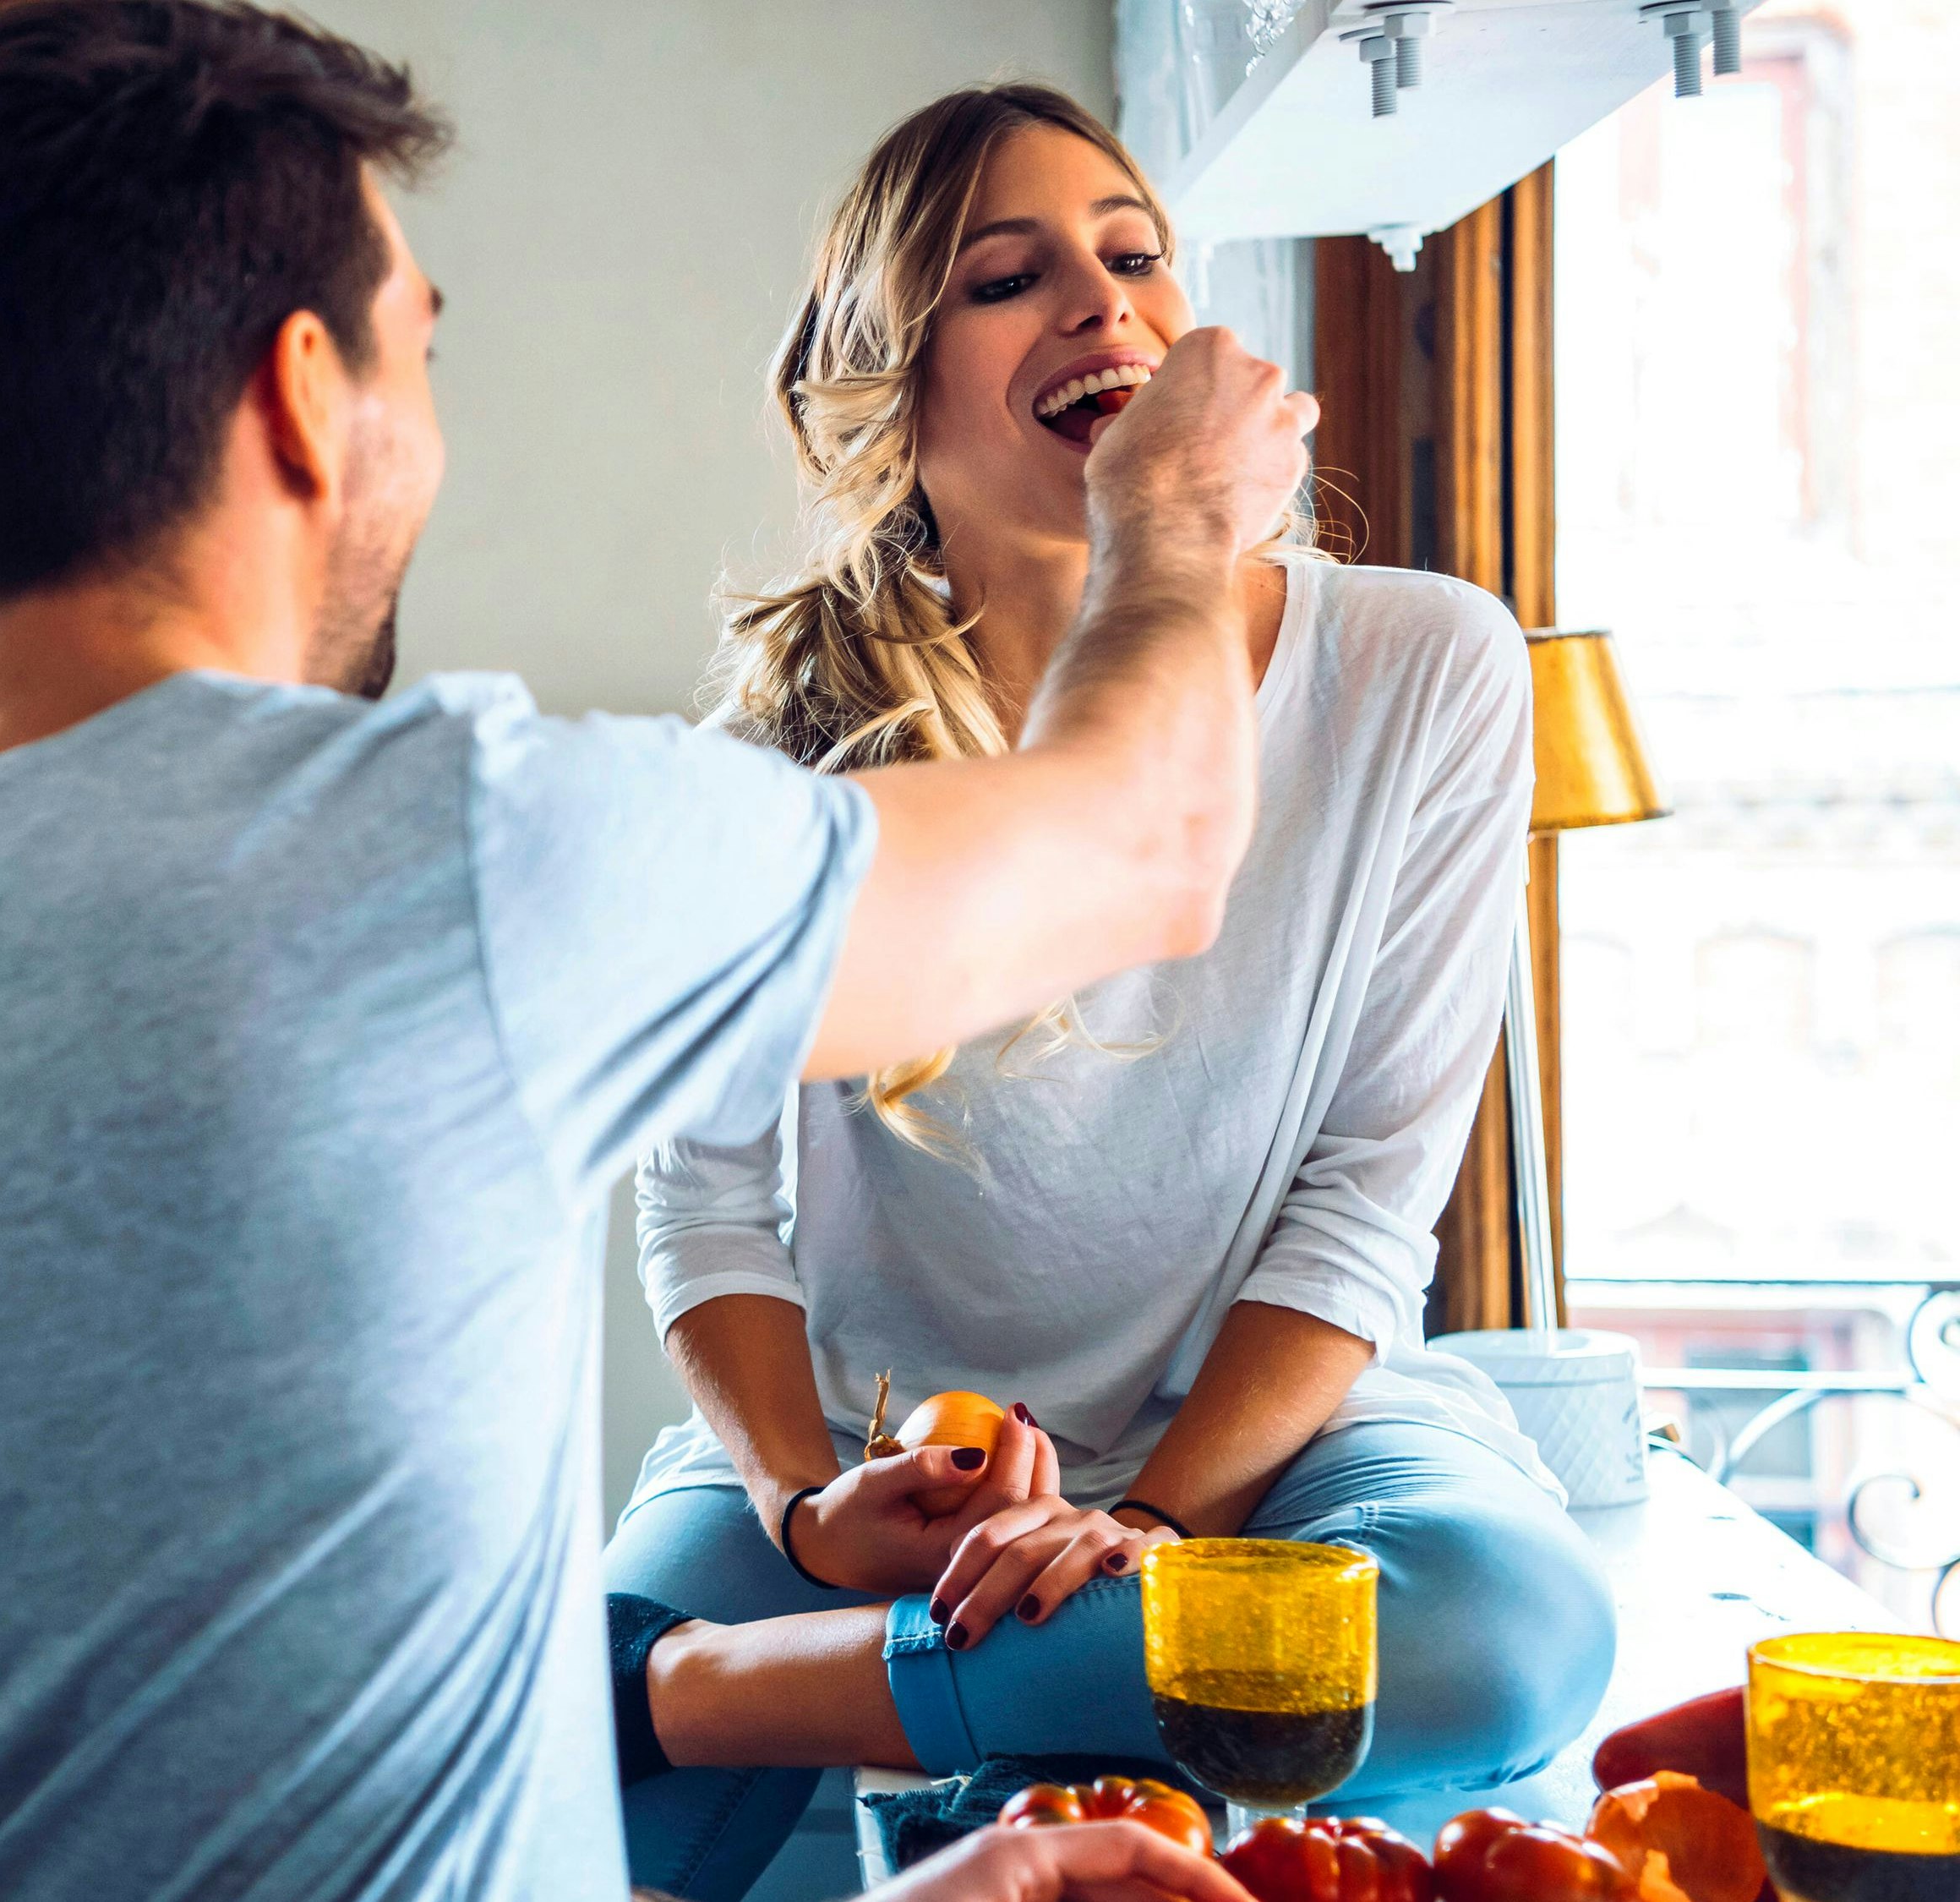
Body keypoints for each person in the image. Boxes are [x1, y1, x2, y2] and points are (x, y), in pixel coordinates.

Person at [0, 5, 1310, 1896]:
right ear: (300, 392)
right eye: (415, 349)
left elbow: (213, 1754)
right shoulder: (447, 850)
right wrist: (1171, 519)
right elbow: (1152, 844)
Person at [600, 85, 1618, 1900]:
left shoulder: (1421, 666)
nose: (1102, 305)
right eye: (1009, 278)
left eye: (1134, 256)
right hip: (857, 1469)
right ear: (889, 384)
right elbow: (700, 1205)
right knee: (540, 1805)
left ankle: (709, 1698)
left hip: (1270, 1441)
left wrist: (1136, 1527)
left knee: (1501, 1629)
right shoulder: (770, 750)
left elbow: (1362, 1210)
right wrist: (798, 1513)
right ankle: (825, 1686)